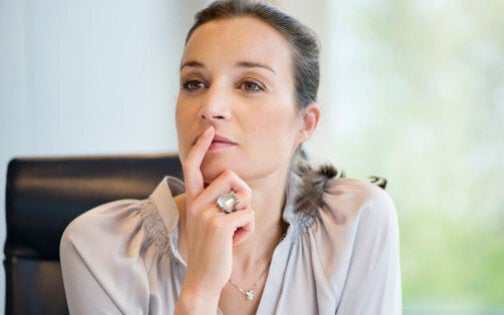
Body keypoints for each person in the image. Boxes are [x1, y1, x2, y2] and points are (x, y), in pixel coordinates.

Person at [59, 0, 401, 314]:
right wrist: (200, 291)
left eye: (250, 84)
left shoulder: (357, 221)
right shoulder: (97, 246)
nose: (211, 108)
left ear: (305, 123)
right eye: (194, 83)